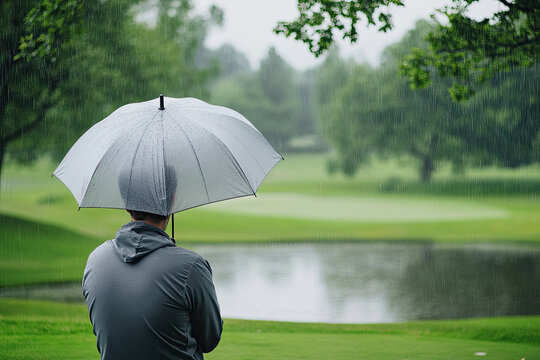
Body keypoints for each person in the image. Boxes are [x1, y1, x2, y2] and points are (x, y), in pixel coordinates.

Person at [82, 166, 222, 360]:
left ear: (126, 203)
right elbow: (210, 339)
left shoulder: (95, 260)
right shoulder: (192, 267)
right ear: (173, 200)